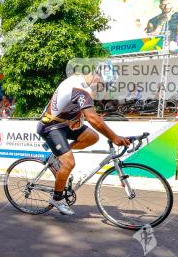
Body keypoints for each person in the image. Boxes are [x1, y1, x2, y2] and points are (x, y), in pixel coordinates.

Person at [37, 72, 131, 216]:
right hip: (51, 126)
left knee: (92, 137)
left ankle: (59, 156)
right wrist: (114, 137)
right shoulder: (80, 88)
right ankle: (57, 198)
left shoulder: (84, 85)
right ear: (97, 77)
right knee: (69, 163)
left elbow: (87, 112)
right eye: (103, 85)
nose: (102, 89)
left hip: (65, 124)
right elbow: (93, 119)